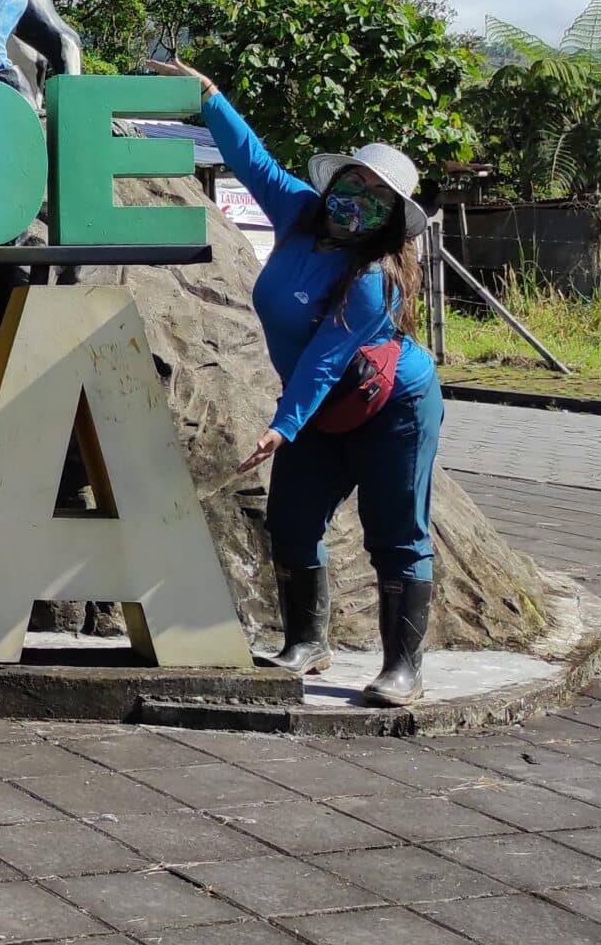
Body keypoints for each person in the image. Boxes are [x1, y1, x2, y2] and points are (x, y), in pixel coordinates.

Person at [147, 54, 443, 708]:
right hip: (321, 412)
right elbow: (253, 161)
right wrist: (210, 96)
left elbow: (324, 362)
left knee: (396, 529)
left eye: (375, 197)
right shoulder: (301, 215)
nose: (355, 201)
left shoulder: (373, 282)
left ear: (391, 217)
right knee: (291, 518)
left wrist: (281, 426)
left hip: (392, 407)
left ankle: (403, 669)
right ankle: (309, 641)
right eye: (352, 183)